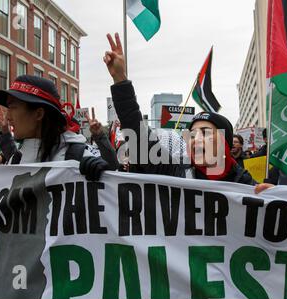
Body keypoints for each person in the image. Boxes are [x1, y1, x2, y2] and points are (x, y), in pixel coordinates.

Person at [104, 33, 254, 185]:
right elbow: (137, 135)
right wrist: (120, 79)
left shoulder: (250, 188)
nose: (197, 140)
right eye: (192, 136)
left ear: (225, 143)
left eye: (205, 133)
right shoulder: (177, 174)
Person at [0, 75, 109, 180]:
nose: (7, 117)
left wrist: (104, 173)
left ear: (38, 114)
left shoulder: (79, 157)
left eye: (12, 107)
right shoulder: (15, 159)